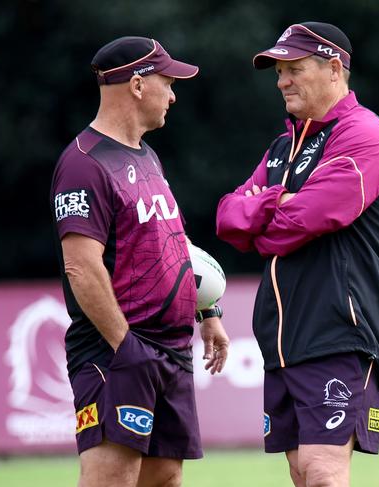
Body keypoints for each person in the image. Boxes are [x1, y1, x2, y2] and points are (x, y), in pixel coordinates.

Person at [216, 22, 379, 487]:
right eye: (279, 72)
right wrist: (269, 207)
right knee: (301, 472)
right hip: (283, 337)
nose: (282, 82)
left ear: (334, 69)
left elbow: (309, 220)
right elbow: (228, 219)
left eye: (294, 69)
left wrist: (263, 218)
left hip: (341, 330)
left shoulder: (365, 134)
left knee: (322, 471)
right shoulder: (283, 146)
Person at [50, 36, 229, 487]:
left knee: (165, 478)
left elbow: (175, 244)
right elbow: (81, 267)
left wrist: (207, 311)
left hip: (170, 350)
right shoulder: (83, 163)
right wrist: (124, 344)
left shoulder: (147, 156)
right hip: (118, 349)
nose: (172, 95)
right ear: (136, 85)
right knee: (113, 479)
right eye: (167, 83)